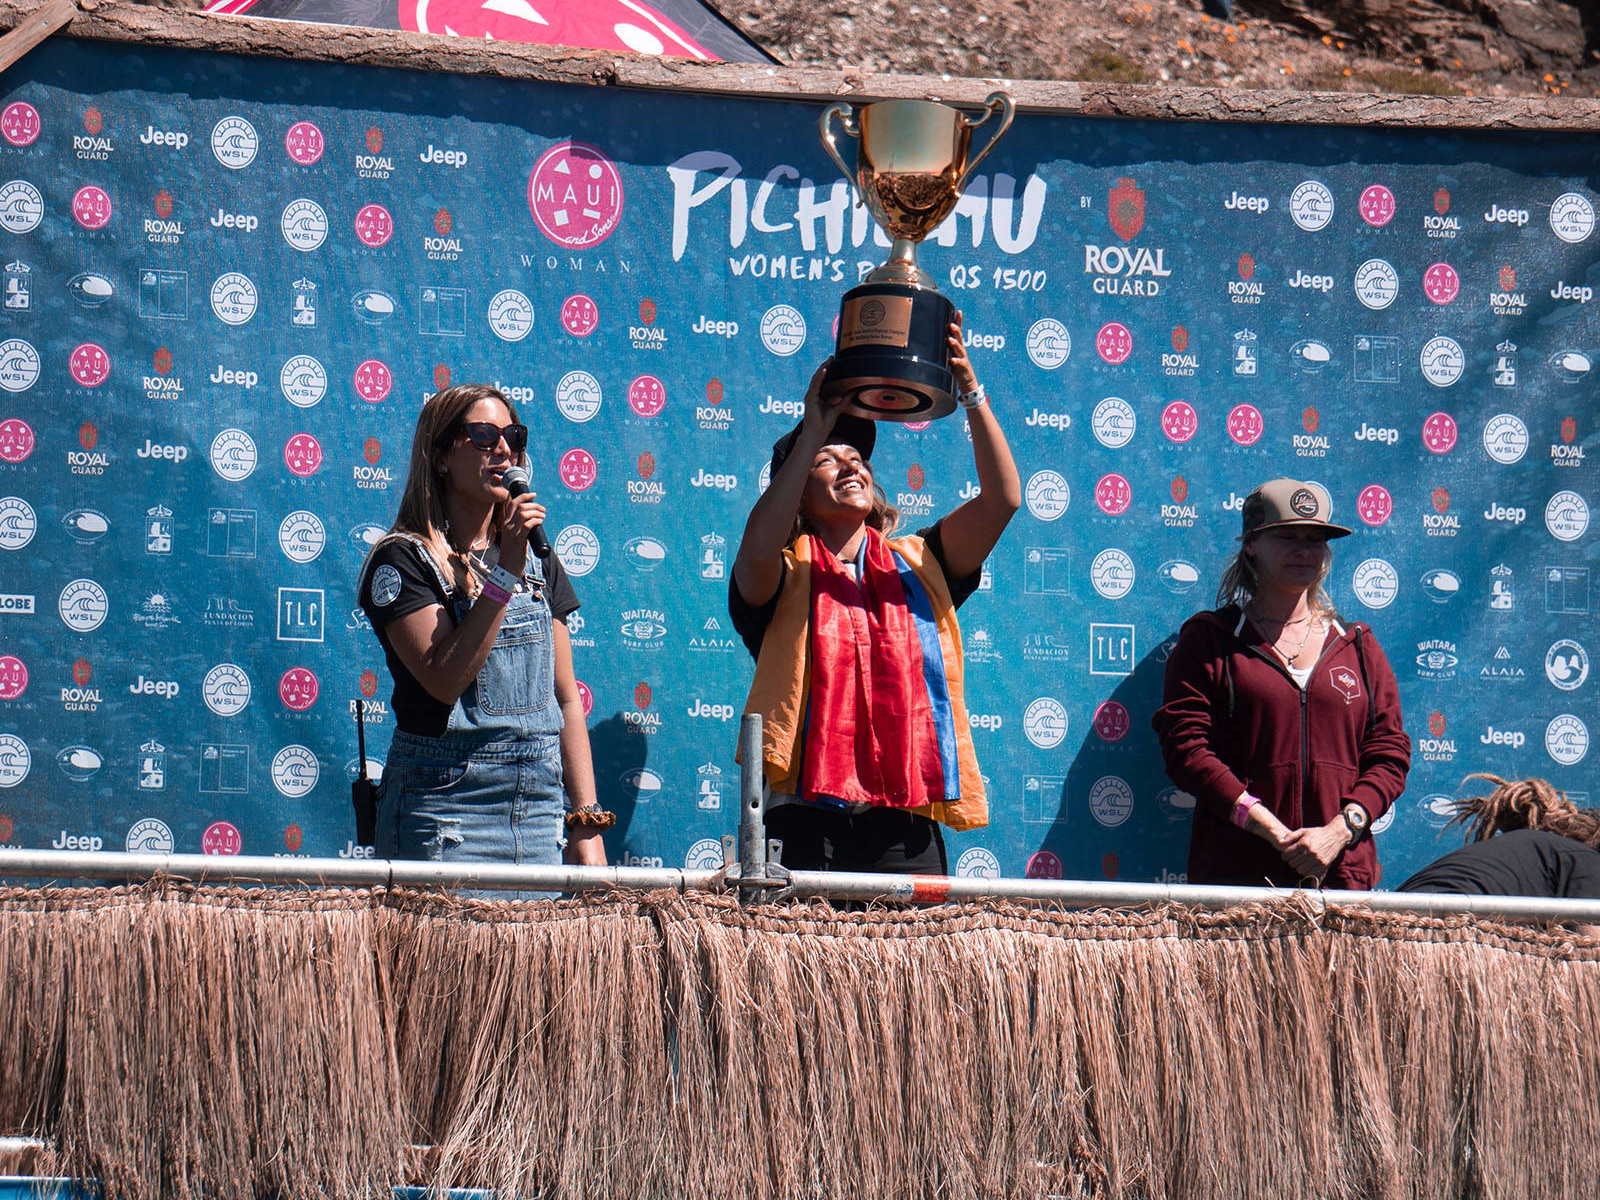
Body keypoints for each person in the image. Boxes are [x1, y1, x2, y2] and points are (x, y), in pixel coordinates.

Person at [729, 315, 1020, 874]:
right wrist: (811, 432)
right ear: (797, 495)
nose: (849, 465)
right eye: (827, 459)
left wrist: (971, 392)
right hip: (804, 819)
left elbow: (1003, 499)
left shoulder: (922, 563)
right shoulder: (783, 572)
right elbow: (757, 548)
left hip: (903, 822)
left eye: (857, 458)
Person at [358, 383, 608, 873]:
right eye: (483, 436)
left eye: (513, 436)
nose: (504, 450)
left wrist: (586, 824)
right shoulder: (402, 560)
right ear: (440, 457)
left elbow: (565, 698)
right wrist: (504, 574)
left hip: (537, 810)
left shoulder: (537, 556)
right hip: (445, 806)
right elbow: (443, 679)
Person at [1152, 478, 1410, 888]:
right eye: (1287, 536)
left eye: (1315, 539)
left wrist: (1339, 831)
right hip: (1237, 882)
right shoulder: (1210, 640)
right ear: (1251, 545)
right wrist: (1271, 830)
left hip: (1341, 879)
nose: (1303, 550)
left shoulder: (1358, 645)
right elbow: (1186, 750)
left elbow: (1389, 753)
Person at [1399, 776, 1600, 919]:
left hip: (1395, 921)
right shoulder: (1586, 860)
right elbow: (1590, 948)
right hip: (1447, 928)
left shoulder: (1528, 855)